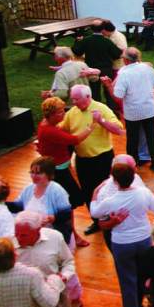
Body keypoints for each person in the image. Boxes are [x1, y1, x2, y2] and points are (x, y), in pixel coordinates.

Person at [90, 159, 154, 307]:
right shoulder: (143, 193)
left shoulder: (111, 200)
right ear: (133, 176)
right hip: (143, 239)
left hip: (122, 243)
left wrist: (95, 192)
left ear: (115, 180)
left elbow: (94, 212)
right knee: (142, 273)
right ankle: (141, 304)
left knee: (127, 277)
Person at [13, 212, 79, 307]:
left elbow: (68, 262)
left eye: (23, 235)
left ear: (38, 230)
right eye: (17, 234)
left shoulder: (55, 238)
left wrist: (63, 277)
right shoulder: (10, 241)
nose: (18, 239)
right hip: (25, 300)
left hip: (55, 294)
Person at [61, 84, 124, 235]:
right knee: (87, 191)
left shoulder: (102, 109)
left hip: (102, 159)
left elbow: (119, 130)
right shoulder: (72, 112)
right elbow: (63, 130)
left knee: (107, 191)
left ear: (88, 97)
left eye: (77, 99)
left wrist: (101, 121)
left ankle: (110, 219)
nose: (74, 102)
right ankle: (96, 221)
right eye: (73, 99)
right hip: (83, 160)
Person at [103, 47, 154, 172]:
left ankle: (132, 166)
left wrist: (108, 86)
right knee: (152, 138)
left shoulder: (124, 73)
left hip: (133, 113)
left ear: (125, 60)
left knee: (132, 140)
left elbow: (118, 96)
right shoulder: (147, 68)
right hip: (150, 110)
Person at [36, 96, 92, 226]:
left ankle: (71, 233)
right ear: (51, 114)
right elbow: (75, 140)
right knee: (67, 203)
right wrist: (90, 127)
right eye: (61, 112)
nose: (64, 113)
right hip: (58, 171)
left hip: (60, 168)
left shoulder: (47, 124)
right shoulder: (49, 130)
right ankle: (71, 233)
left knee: (68, 203)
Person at [16, 156, 74, 246]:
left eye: (38, 173)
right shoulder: (28, 189)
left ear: (49, 174)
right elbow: (17, 207)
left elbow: (66, 214)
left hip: (52, 238)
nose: (34, 176)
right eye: (32, 172)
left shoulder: (57, 190)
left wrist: (53, 218)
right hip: (32, 238)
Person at [72, 20, 121, 103]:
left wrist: (77, 41)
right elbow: (117, 54)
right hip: (106, 69)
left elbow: (77, 51)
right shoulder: (107, 41)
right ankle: (111, 108)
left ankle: (96, 108)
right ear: (102, 29)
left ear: (91, 29)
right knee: (108, 90)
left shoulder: (86, 40)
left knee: (94, 91)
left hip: (91, 69)